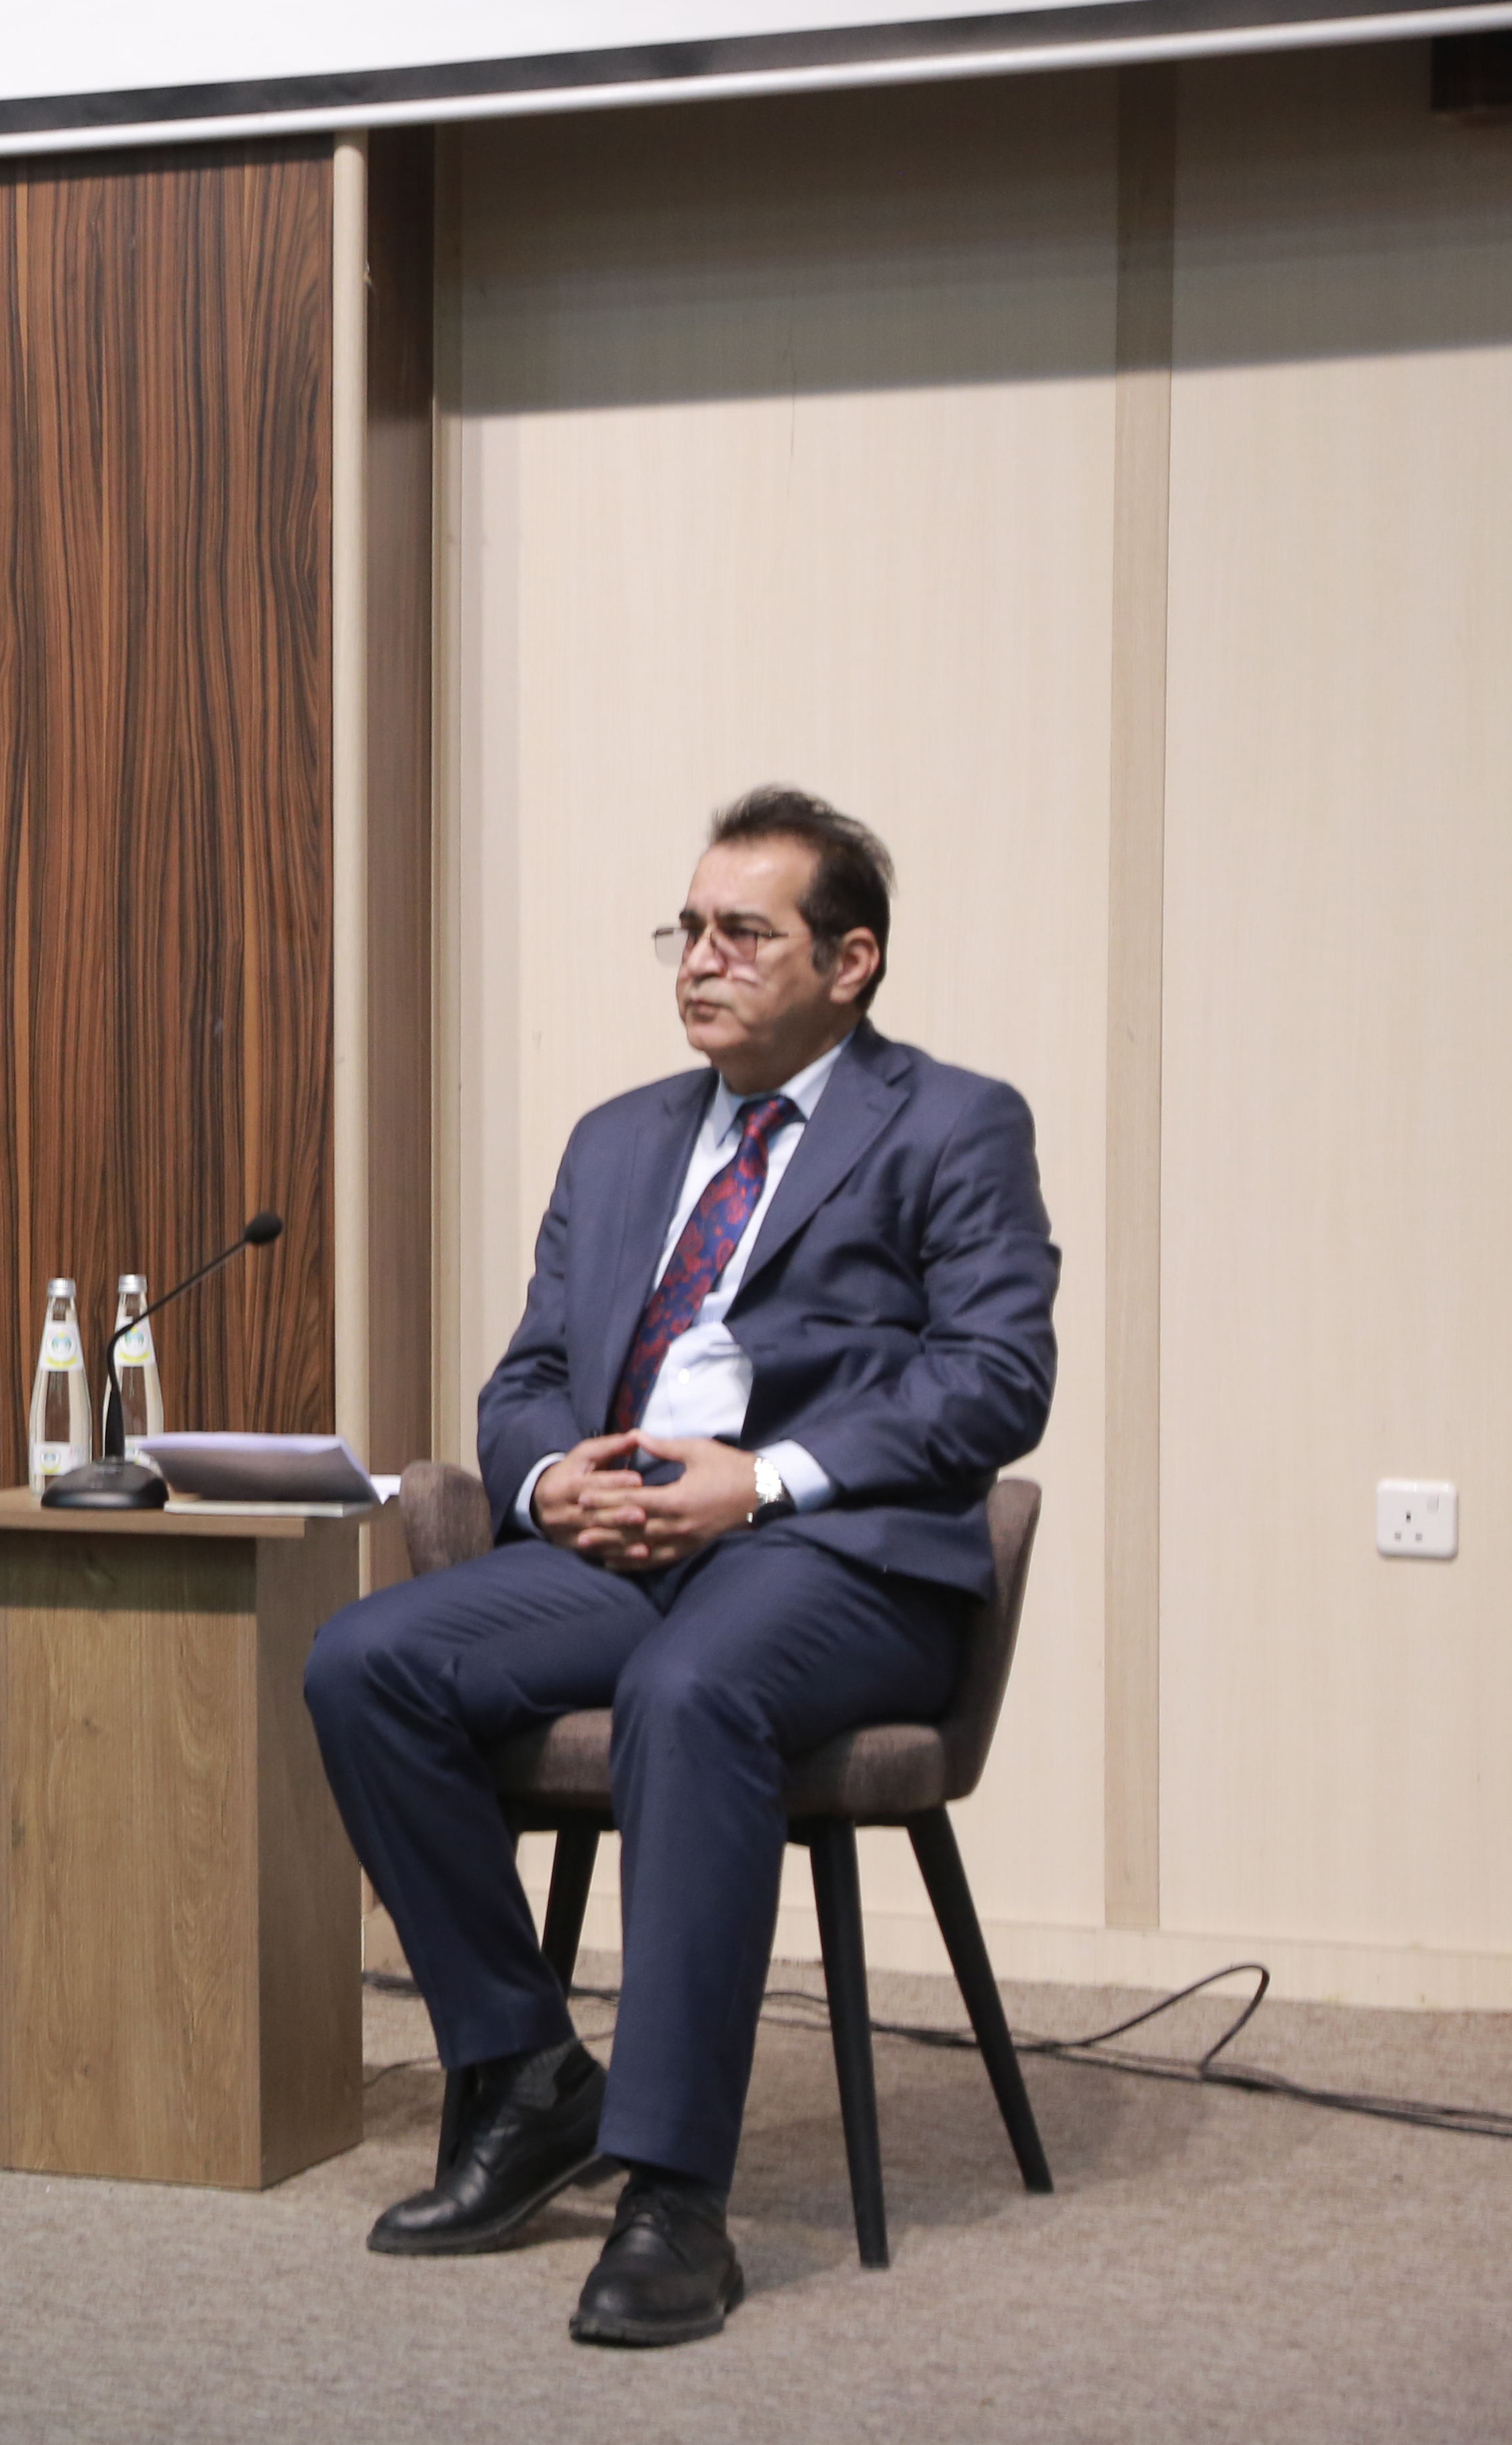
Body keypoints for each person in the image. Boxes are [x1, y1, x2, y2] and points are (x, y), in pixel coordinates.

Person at [304, 787, 1055, 2344]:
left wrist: (756, 1479)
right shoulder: (621, 1136)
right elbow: (525, 1377)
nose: (700, 962)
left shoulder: (953, 1120)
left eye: (743, 934)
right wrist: (545, 1475)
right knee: (366, 1662)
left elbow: (996, 1379)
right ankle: (524, 2075)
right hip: (622, 1543)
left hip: (833, 1559)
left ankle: (673, 2195)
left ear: (850, 962)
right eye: (688, 931)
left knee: (689, 1690)